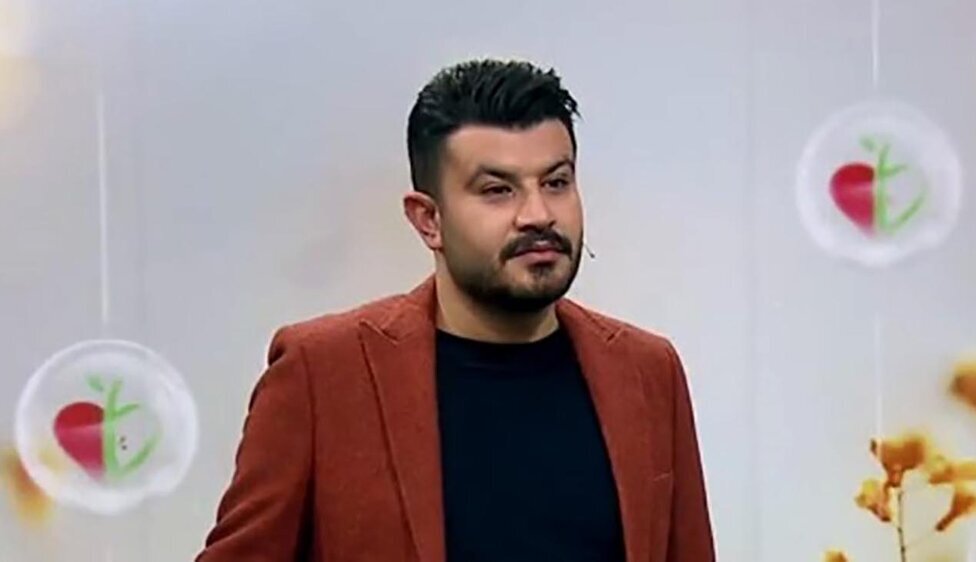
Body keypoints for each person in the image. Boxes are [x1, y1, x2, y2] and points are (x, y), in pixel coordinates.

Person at [195, 58, 715, 562]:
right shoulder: (322, 373)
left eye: (556, 182)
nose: (538, 214)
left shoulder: (648, 372)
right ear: (428, 220)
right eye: (497, 190)